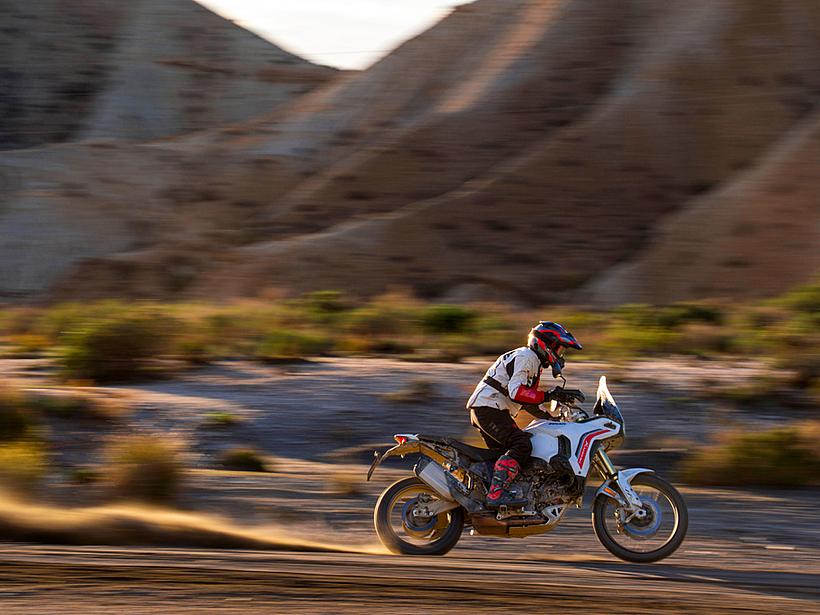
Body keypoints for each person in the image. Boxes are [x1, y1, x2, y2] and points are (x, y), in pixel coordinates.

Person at [466, 321, 584, 508]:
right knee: (522, 444)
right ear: (546, 345)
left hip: (488, 409)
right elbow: (516, 393)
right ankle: (496, 496)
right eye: (559, 350)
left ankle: (487, 496)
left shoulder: (531, 360)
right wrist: (549, 395)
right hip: (489, 409)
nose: (560, 355)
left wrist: (551, 419)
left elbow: (527, 401)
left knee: (502, 455)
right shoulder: (527, 357)